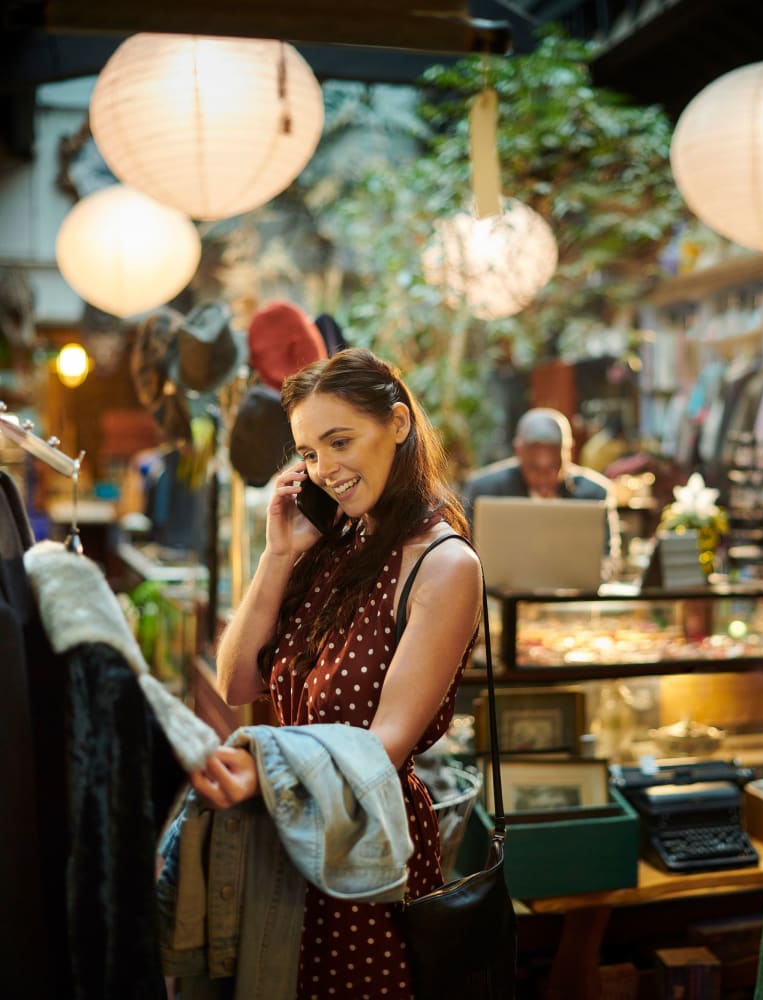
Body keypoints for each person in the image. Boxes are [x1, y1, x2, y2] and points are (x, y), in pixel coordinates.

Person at [187, 347, 483, 998]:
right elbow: (237, 684)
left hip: (368, 855)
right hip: (291, 841)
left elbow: (386, 745)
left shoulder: (443, 565)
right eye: (310, 453)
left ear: (398, 425)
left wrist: (261, 766)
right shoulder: (332, 547)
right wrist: (277, 554)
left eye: (340, 441)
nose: (326, 469)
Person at [461, 406, 620, 554]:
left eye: (553, 467)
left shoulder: (595, 493)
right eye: (534, 468)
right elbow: (466, 555)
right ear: (518, 452)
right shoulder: (485, 490)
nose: (544, 478)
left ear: (568, 453)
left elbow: (607, 561)